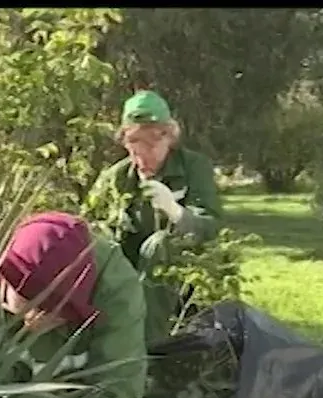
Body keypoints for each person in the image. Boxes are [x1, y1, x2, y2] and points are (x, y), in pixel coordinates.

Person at [0, 211, 147, 398]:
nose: (35, 321)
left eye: (50, 311)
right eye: (26, 308)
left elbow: (119, 391)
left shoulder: (117, 292)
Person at [84, 90, 223, 340]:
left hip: (180, 283)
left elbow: (210, 227)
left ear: (169, 138)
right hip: (123, 282)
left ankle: (150, 347)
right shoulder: (116, 177)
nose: (142, 157)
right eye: (135, 147)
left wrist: (176, 212)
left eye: (151, 145)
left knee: (160, 246)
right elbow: (87, 222)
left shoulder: (194, 167)